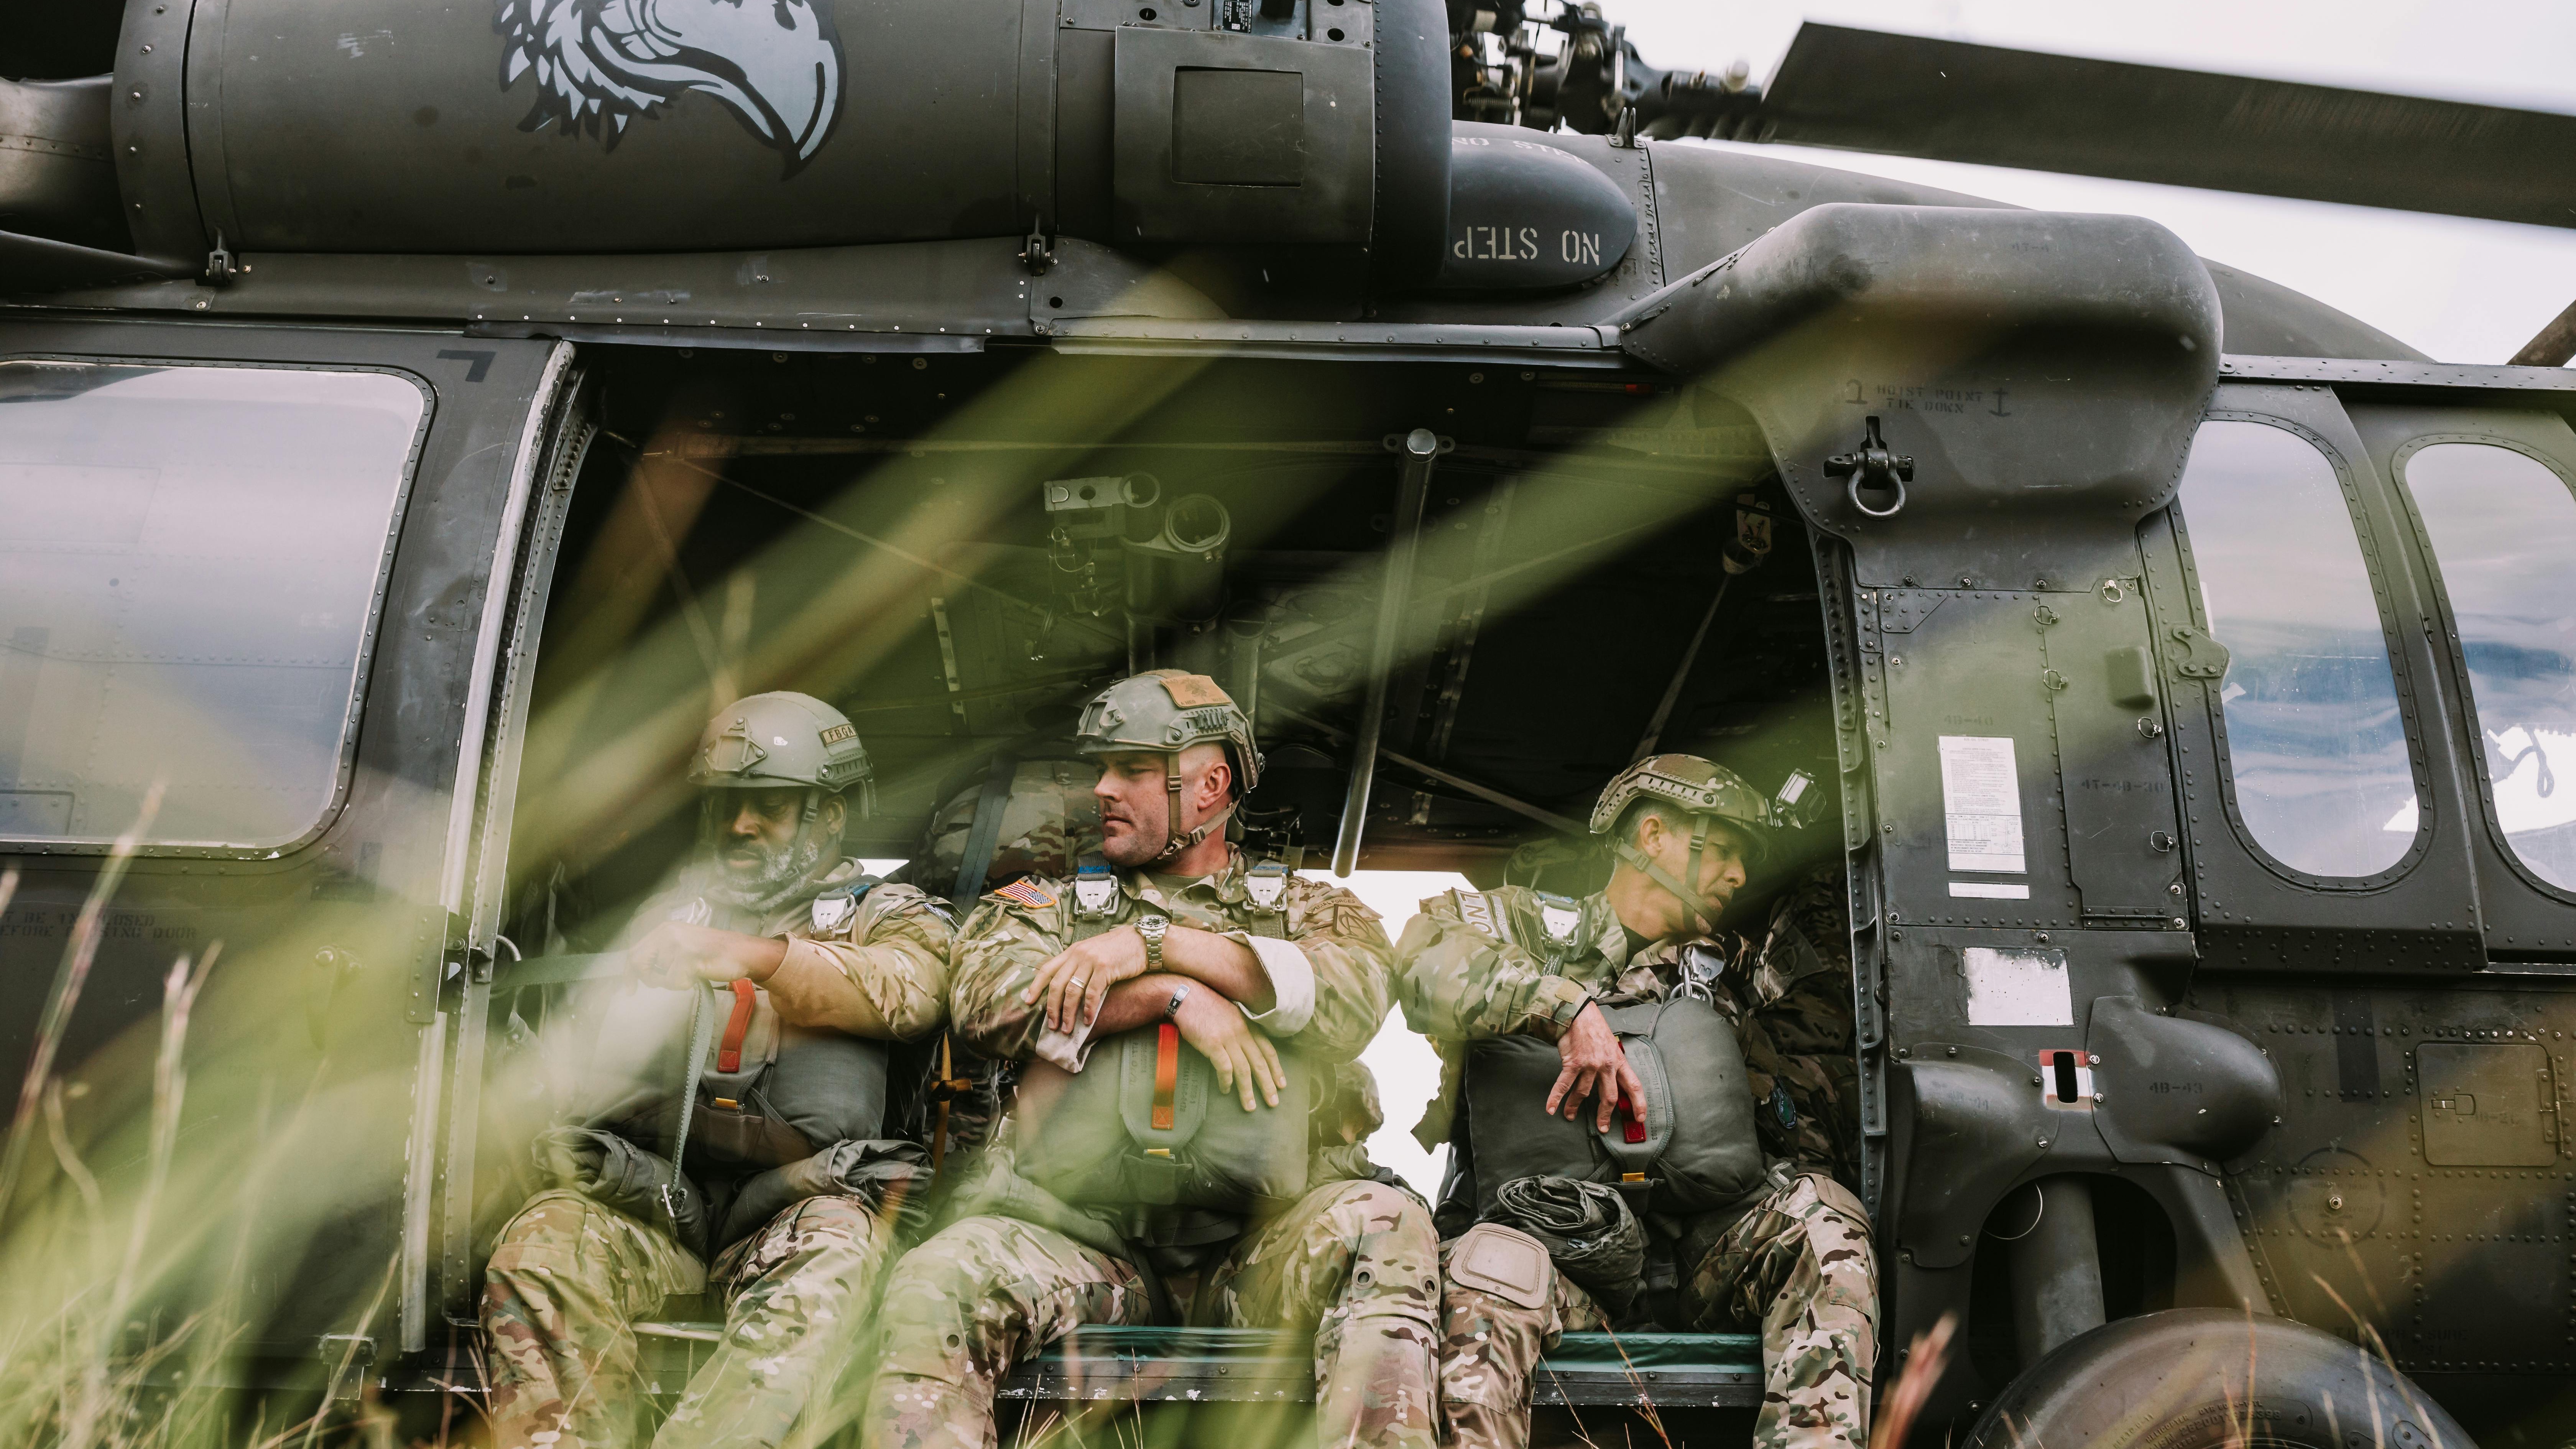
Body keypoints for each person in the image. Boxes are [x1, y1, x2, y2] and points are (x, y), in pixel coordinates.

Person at [860, 670, 1438, 1449]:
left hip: (1257, 1256)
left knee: (1387, 1223)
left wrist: (1152, 945)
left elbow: (1350, 1001)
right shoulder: (1040, 907)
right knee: (938, 1279)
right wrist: (1174, 997)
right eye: (1102, 767)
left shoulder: (1314, 910)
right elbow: (990, 1006)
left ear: (1210, 786)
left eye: (1131, 769)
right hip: (1082, 1248)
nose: (1103, 788)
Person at [482, 692, 957, 1449]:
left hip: (803, 1208)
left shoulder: (887, 911)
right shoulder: (671, 916)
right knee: (541, 1250)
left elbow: (915, 988)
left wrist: (752, 958)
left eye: (768, 808)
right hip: (663, 1205)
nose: (741, 827)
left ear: (829, 816)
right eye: (729, 806)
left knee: (835, 1257)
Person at [1397, 755, 1877, 1449]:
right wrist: (1564, 1009)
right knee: (1488, 1273)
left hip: (1698, 1266)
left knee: (1826, 1222)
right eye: (1726, 849)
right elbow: (1421, 964)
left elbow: (1821, 1075)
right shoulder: (1520, 926)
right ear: (1653, 835)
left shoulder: (1735, 971)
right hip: (1552, 1261)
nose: (1739, 875)